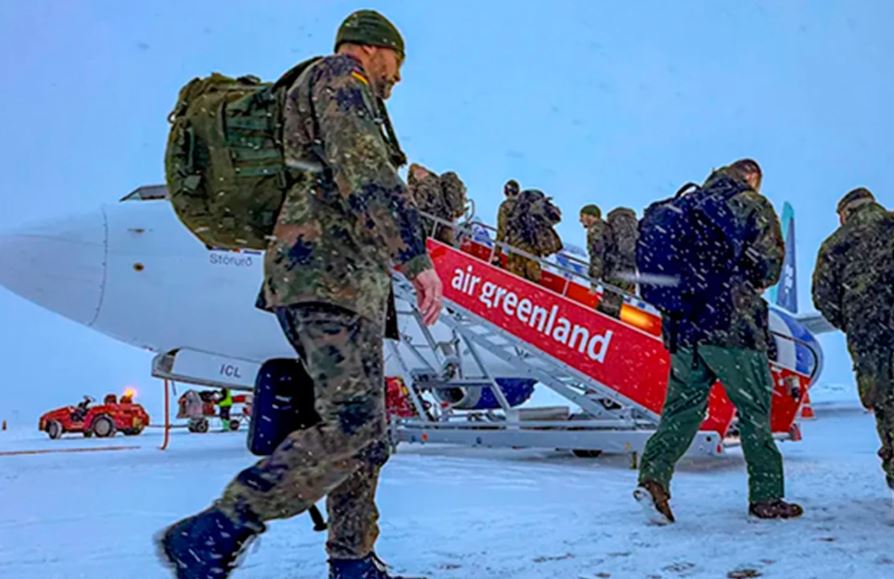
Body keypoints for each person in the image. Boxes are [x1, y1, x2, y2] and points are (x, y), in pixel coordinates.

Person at [158, 10, 442, 579]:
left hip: (341, 280)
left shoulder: (321, 88)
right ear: (372, 49)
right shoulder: (341, 75)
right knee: (355, 427)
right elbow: (363, 170)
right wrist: (416, 258)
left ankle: (353, 560)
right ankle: (216, 529)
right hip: (326, 275)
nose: (398, 77)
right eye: (397, 62)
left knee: (365, 433)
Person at [634, 159, 803, 523]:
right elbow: (769, 267)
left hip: (684, 329)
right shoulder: (751, 205)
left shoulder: (682, 206)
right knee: (755, 411)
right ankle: (766, 496)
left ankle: (653, 479)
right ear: (751, 178)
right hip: (732, 328)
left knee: (680, 412)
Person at [812, 187, 894, 496]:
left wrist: (854, 322)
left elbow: (823, 298)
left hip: (870, 341)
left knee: (887, 405)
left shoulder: (837, 243)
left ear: (845, 212)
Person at [504, 189, 563, 283]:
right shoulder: (534, 214)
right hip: (532, 245)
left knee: (518, 272)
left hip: (521, 245)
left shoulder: (520, 210)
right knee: (528, 273)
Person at [407, 163, 467, 244]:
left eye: (422, 169)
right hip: (433, 225)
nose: (421, 171)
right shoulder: (415, 188)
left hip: (439, 223)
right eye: (417, 172)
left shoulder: (443, 182)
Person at [493, 179, 520, 264]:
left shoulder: (505, 207)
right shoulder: (525, 206)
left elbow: (502, 231)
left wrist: (496, 253)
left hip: (515, 246)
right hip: (530, 252)